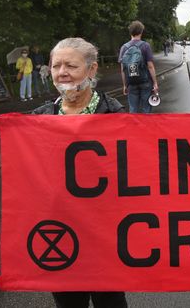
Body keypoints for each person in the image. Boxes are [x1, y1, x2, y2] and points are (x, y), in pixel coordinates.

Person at [32, 37, 127, 308]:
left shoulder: (116, 116)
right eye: (56, 66)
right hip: (60, 233)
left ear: (92, 70)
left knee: (110, 300)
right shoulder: (37, 120)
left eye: (71, 66)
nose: (62, 72)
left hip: (105, 234)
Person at [118, 20, 158, 113]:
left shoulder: (124, 47)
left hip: (131, 82)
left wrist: (125, 85)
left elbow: (123, 69)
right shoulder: (145, 46)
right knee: (146, 109)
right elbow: (150, 66)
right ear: (141, 32)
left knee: (133, 109)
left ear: (130, 32)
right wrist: (155, 83)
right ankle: (145, 126)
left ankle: (134, 127)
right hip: (145, 82)